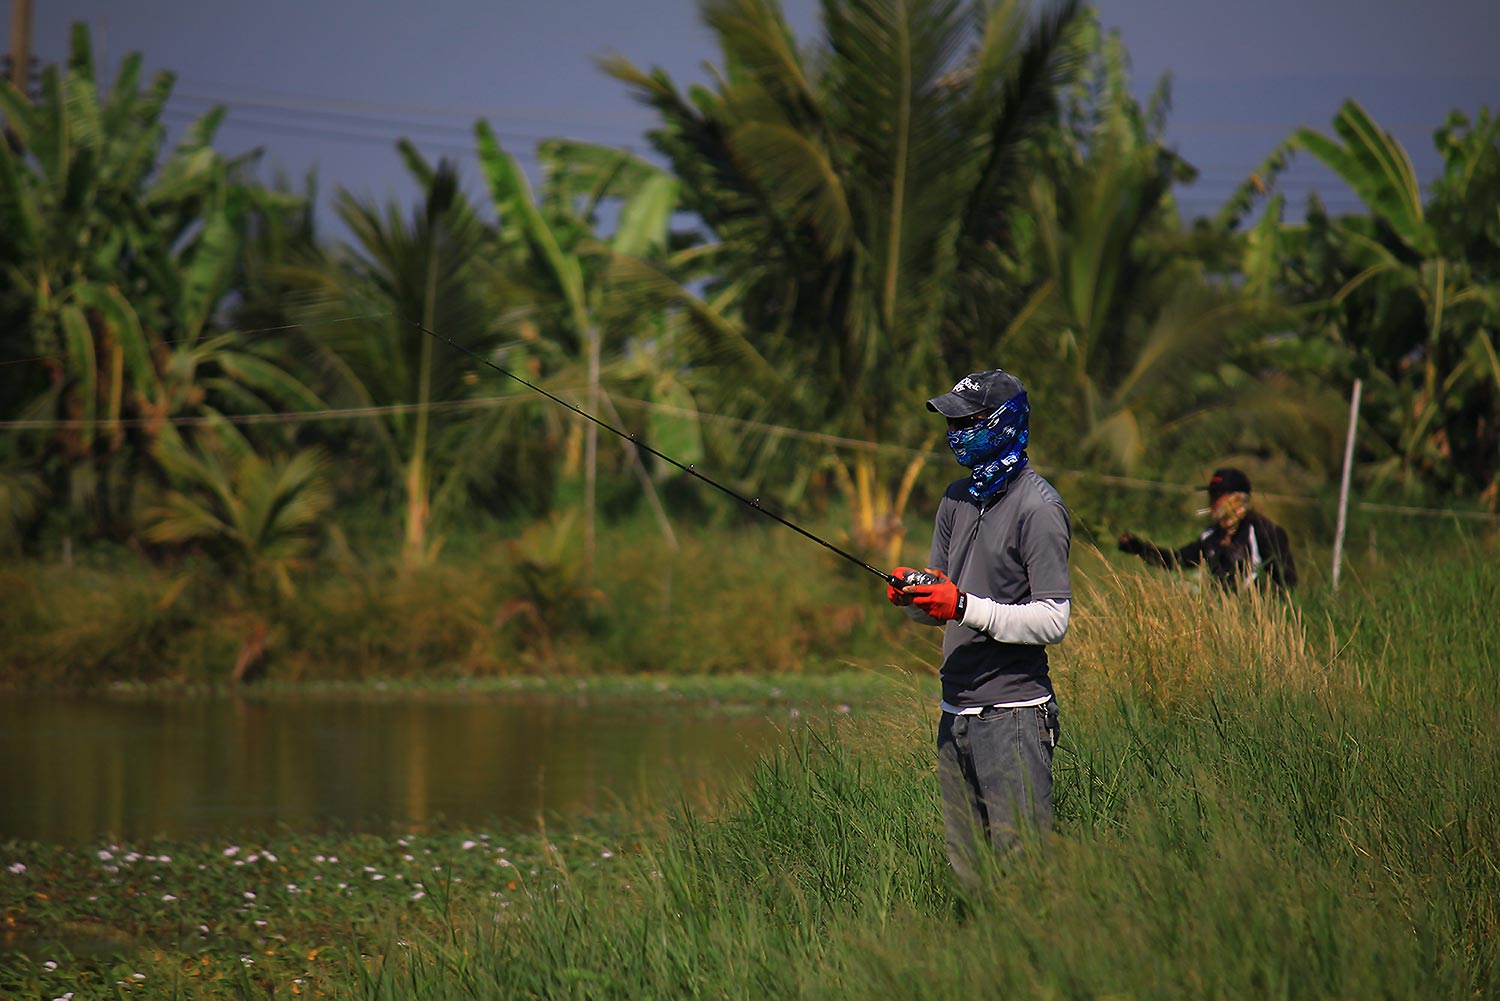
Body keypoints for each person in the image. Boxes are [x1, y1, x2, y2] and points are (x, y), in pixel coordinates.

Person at [886, 369, 1071, 889]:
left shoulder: (1039, 508)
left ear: (1005, 422)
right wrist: (912, 597)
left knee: (1024, 873)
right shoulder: (955, 498)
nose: (956, 432)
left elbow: (1054, 618)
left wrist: (964, 604)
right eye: (952, 422)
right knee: (969, 874)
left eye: (968, 421)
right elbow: (939, 603)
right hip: (955, 714)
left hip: (1013, 715)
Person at [1117, 467, 1297, 591]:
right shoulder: (1211, 536)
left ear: (1238, 499)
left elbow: (1287, 582)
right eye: (1211, 494)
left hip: (1259, 623)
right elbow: (1176, 561)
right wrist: (1138, 548)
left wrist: (1253, 598)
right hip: (1224, 619)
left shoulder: (1264, 531)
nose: (1212, 501)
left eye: (1218, 495)